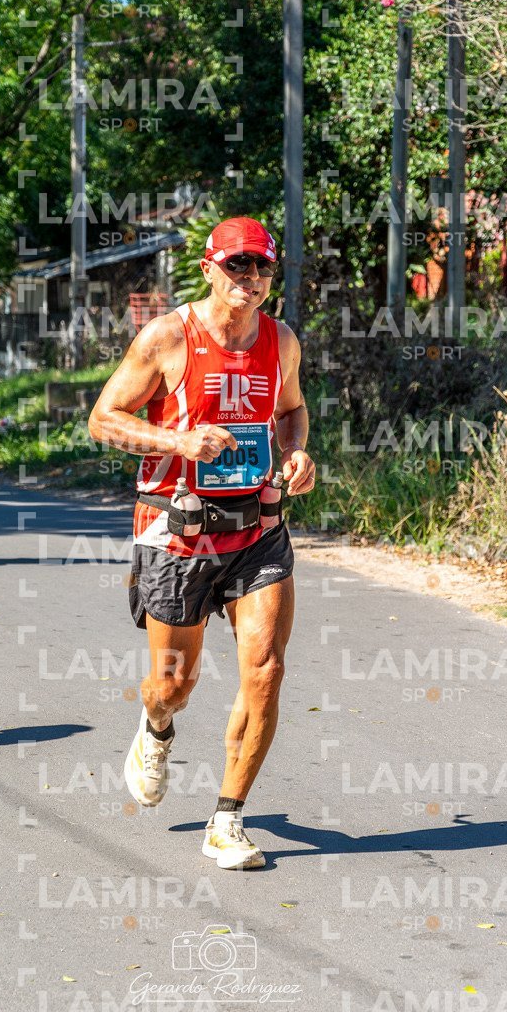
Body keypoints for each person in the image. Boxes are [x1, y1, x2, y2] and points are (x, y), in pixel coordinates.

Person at [88, 217, 316, 871]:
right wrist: (177, 441)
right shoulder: (168, 337)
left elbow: (292, 411)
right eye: (237, 266)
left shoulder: (281, 342)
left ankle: (228, 819)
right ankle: (156, 728)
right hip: (178, 533)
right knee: (173, 684)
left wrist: (297, 453)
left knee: (266, 671)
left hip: (258, 529)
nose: (250, 279)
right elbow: (104, 419)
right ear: (209, 269)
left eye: (262, 268)